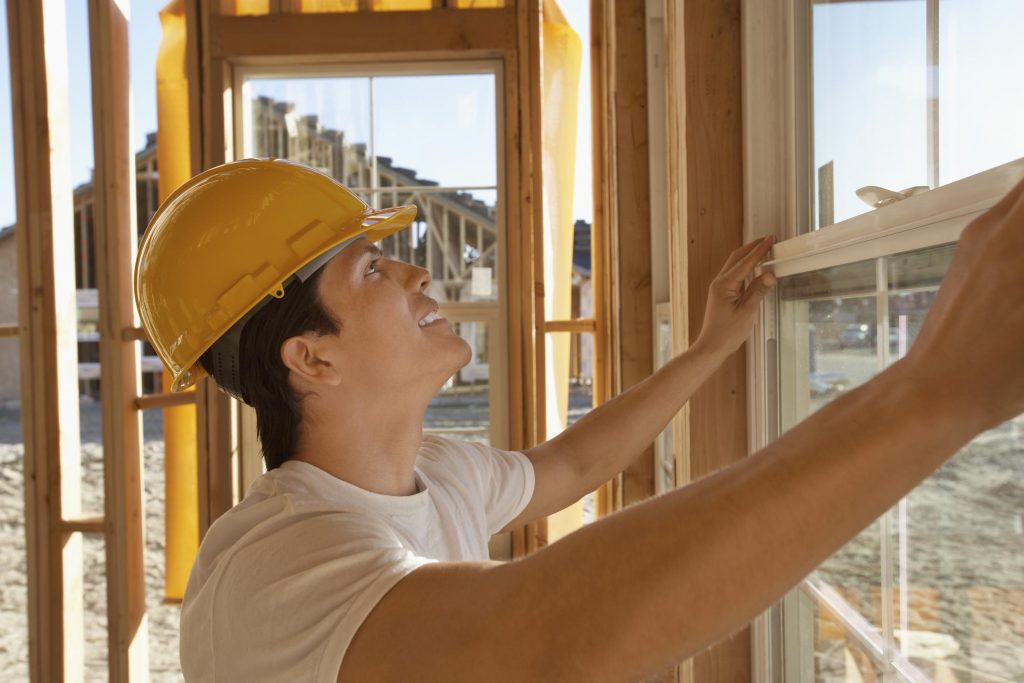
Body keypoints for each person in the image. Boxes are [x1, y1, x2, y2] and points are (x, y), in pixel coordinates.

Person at [135, 158, 1024, 682]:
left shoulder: (436, 473)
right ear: (313, 359)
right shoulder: (271, 565)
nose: (415, 275)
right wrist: (932, 391)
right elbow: (547, 636)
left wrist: (709, 348)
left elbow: (571, 463)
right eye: (371, 270)